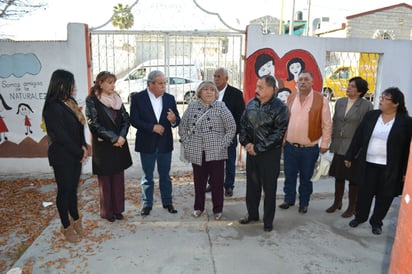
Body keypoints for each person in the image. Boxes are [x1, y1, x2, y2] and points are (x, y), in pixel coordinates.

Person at [345, 87, 412, 235]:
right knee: (364, 192)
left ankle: (376, 222)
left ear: (395, 103)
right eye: (381, 97)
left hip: (391, 167)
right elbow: (358, 137)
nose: (381, 100)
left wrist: (406, 171)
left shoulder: (406, 122)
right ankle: (360, 217)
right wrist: (350, 156)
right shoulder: (371, 116)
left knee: (385, 195)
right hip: (368, 163)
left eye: (385, 98)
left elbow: (408, 148)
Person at [238, 75, 289, 232]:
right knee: (252, 187)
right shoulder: (251, 104)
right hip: (252, 153)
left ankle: (268, 221)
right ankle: (252, 214)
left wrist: (258, 148)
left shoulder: (280, 108)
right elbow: (243, 125)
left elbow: (278, 134)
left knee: (269, 189)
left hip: (269, 155)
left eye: (260, 87)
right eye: (257, 86)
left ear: (272, 89)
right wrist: (246, 143)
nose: (256, 90)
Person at [42, 69, 88, 243]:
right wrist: (80, 152)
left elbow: (79, 127)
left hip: (75, 153)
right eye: (71, 83)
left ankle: (76, 220)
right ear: (61, 84)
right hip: (62, 157)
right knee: (64, 191)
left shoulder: (70, 102)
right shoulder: (52, 107)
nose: (74, 87)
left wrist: (83, 146)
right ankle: (66, 226)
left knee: (73, 191)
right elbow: (61, 136)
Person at [179, 81, 236, 220]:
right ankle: (198, 207)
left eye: (212, 90)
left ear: (216, 93)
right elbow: (182, 127)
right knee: (199, 182)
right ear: (199, 92)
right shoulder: (192, 106)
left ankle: (218, 209)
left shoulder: (221, 106)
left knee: (217, 183)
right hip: (198, 151)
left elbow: (232, 127)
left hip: (216, 152)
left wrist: (222, 144)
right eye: (205, 89)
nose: (209, 92)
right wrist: (187, 143)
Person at [280, 70, 332, 214]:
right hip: (290, 147)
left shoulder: (321, 100)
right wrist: (283, 140)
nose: (302, 82)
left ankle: (304, 203)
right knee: (289, 176)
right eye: (300, 79)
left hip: (309, 149)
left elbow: (327, 124)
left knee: (305, 178)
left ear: (312, 82)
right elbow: (284, 121)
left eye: (306, 79)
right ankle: (288, 199)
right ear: (297, 82)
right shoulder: (290, 98)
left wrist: (324, 144)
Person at [130, 70, 180, 216]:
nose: (163, 86)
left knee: (165, 175)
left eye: (165, 83)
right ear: (150, 84)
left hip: (165, 143)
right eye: (160, 83)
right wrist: (152, 127)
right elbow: (134, 120)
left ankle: (167, 202)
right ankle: (147, 204)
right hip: (147, 143)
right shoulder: (138, 98)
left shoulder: (170, 98)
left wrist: (173, 120)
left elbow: (176, 119)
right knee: (147, 176)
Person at [85, 71, 132, 222]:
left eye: (114, 82)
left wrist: (122, 136)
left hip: (119, 145)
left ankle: (118, 210)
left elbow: (126, 119)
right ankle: (107, 212)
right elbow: (94, 124)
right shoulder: (92, 100)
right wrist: (113, 138)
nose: (113, 85)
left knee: (118, 180)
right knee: (105, 181)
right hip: (104, 146)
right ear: (101, 83)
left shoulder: (116, 98)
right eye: (109, 82)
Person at [326, 77, 373, 217]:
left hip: (353, 147)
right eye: (348, 85)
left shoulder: (366, 106)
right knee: (339, 176)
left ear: (359, 91)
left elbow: (366, 128)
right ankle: (337, 202)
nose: (348, 88)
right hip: (339, 145)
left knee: (353, 179)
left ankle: (352, 206)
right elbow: (335, 122)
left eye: (352, 86)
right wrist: (332, 140)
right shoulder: (340, 102)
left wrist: (361, 148)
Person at [205, 67, 245, 197]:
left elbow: (241, 116)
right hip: (212, 136)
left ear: (226, 79)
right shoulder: (209, 93)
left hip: (229, 136)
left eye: (219, 77)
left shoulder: (236, 94)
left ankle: (228, 186)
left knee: (229, 162)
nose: (215, 79)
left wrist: (232, 133)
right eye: (215, 76)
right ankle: (213, 183)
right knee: (212, 161)